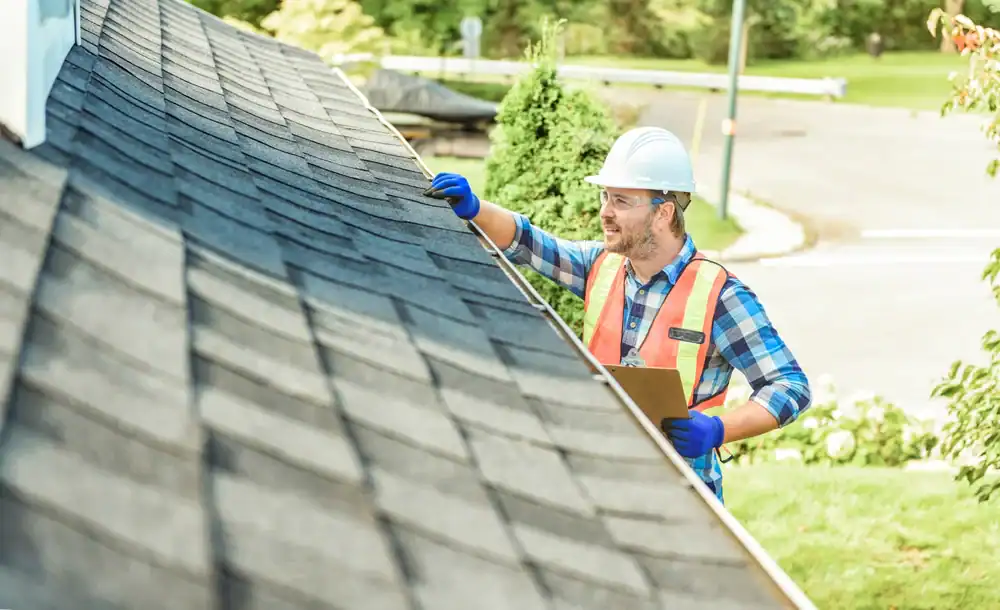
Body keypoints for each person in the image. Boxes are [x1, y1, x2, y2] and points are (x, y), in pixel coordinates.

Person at [424, 126, 811, 504]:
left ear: (663, 213)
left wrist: (717, 429)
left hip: (682, 497)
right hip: (600, 482)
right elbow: (528, 242)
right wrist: (475, 208)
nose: (605, 213)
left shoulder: (721, 296)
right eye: (605, 197)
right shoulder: (601, 267)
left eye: (621, 201)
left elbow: (790, 386)